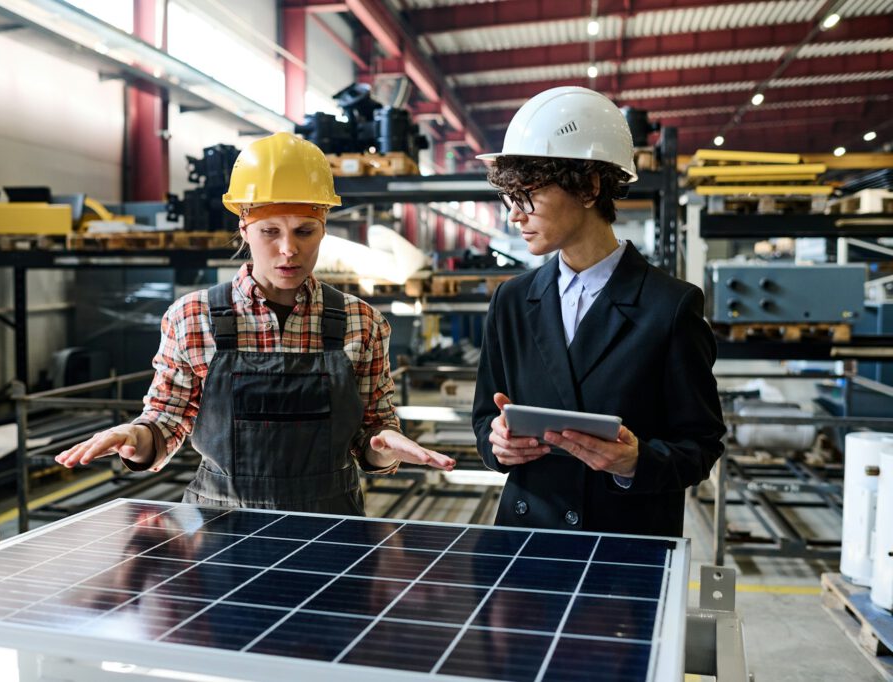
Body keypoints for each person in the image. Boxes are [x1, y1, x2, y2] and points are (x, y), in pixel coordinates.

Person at [56, 132, 454, 515]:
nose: (288, 249)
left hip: (331, 527)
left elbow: (374, 432)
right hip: (220, 528)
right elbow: (165, 420)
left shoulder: (361, 323)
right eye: (269, 231)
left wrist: (383, 447)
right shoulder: (192, 318)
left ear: (324, 228)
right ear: (244, 228)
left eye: (304, 231)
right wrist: (136, 439)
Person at [472, 87, 725, 537]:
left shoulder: (670, 307)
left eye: (528, 195)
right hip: (527, 538)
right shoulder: (512, 300)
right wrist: (497, 445)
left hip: (623, 545)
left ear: (589, 186)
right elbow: (484, 417)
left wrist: (635, 461)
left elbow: (700, 445)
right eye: (510, 198)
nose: (515, 216)